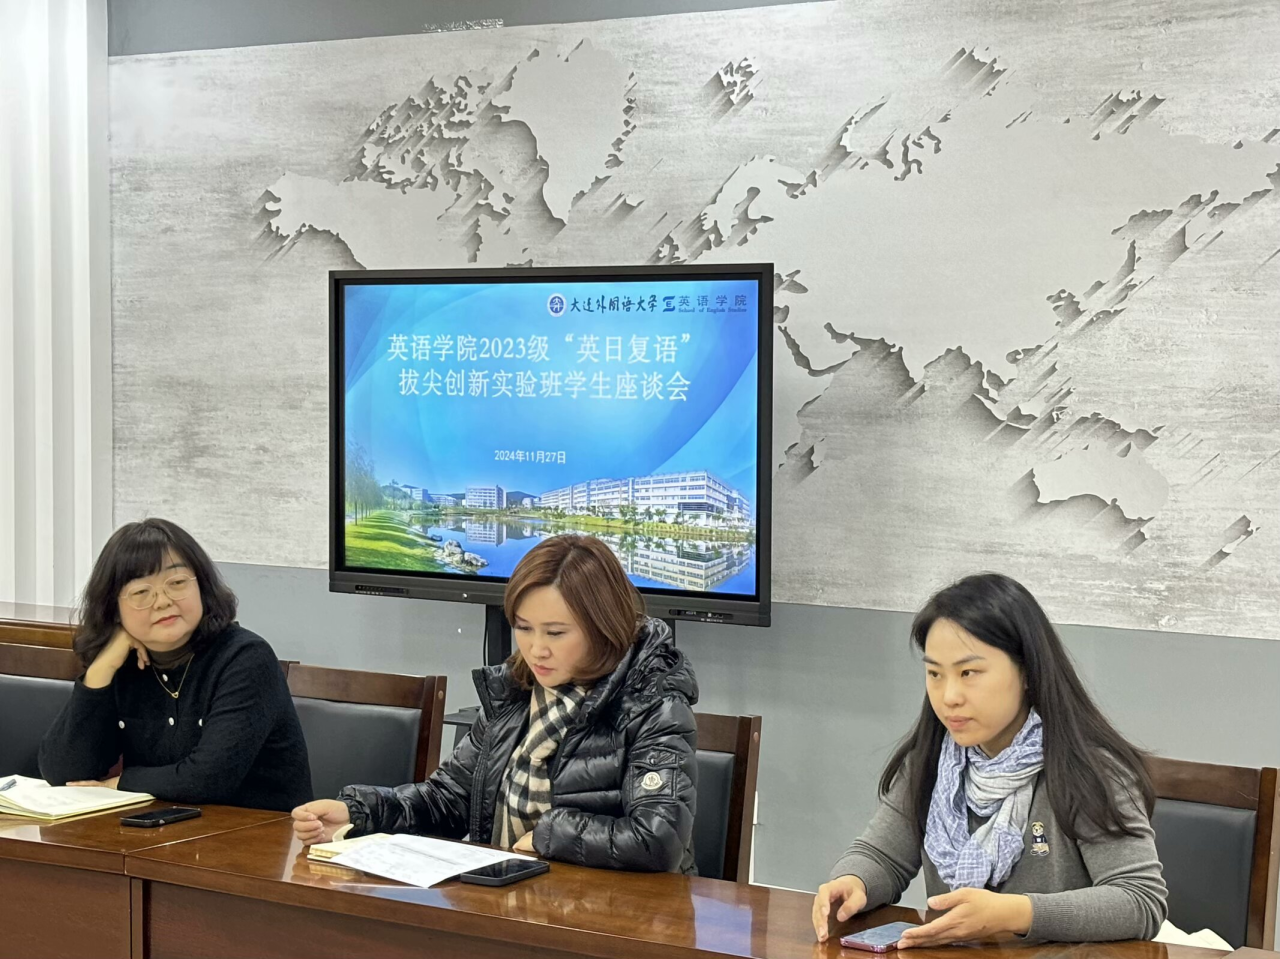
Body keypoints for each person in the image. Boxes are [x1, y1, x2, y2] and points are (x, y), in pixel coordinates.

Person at [292, 534, 700, 873]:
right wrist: (359, 814)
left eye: (556, 633)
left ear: (602, 626)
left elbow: (658, 839)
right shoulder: (514, 692)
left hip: (617, 921)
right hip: (511, 899)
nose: (536, 649)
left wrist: (549, 835)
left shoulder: (654, 703)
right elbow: (448, 799)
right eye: (523, 628)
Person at [813, 573, 1167, 947]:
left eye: (969, 673)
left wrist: (1014, 913)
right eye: (934, 674)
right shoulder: (930, 762)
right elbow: (882, 856)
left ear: (1027, 671)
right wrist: (853, 880)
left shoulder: (1090, 771)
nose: (949, 696)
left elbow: (1139, 900)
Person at [39, 518, 312, 811]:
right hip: (159, 829)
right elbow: (63, 772)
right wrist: (101, 668)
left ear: (201, 586)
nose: (162, 601)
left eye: (177, 583)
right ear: (114, 609)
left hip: (259, 831)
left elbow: (208, 778)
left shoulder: (246, 658)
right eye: (141, 592)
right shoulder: (124, 665)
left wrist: (118, 784)